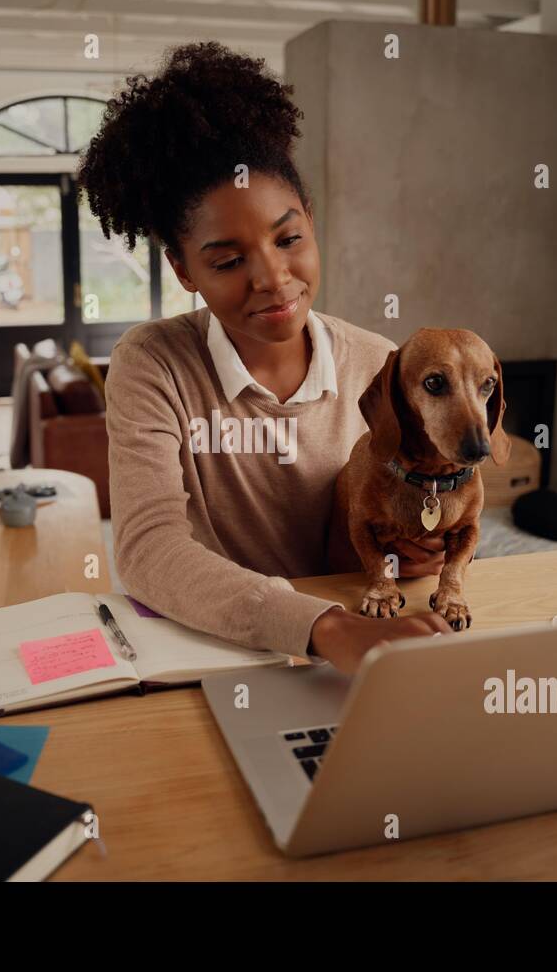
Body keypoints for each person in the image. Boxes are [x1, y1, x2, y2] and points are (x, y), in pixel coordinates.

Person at [78, 42, 452, 674]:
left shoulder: (382, 363)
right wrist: (320, 628)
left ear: (312, 220)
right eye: (227, 261)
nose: (274, 279)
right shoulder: (153, 364)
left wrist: (415, 552)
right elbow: (146, 550)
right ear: (183, 269)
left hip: (363, 640)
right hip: (217, 645)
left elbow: (416, 519)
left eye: (289, 238)